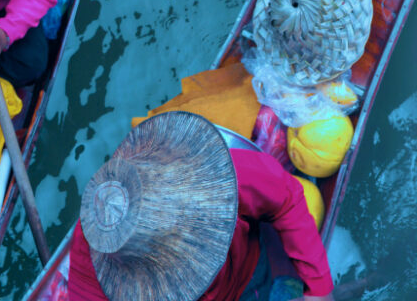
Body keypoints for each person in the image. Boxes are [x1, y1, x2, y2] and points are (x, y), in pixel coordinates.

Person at [68, 111, 334, 301]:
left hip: (244, 276)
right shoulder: (102, 243)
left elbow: (286, 198)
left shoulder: (218, 177)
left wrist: (320, 288)